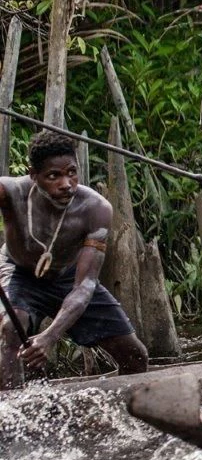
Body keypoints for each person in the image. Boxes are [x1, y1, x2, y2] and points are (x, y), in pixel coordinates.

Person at [0, 132, 148, 389]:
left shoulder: (95, 209)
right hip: (19, 272)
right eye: (53, 176)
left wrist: (50, 337)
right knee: (12, 325)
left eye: (72, 172)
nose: (66, 184)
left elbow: (85, 286)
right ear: (33, 175)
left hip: (70, 278)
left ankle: (111, 414)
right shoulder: (10, 192)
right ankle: (10, 412)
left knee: (136, 356)